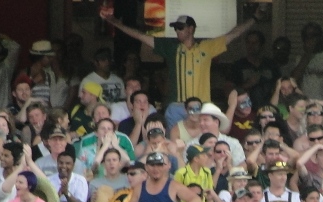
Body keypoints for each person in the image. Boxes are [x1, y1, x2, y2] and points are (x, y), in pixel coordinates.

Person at [101, 8, 262, 131]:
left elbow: (233, 34)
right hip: (176, 107)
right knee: (174, 143)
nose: (177, 31)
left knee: (203, 145)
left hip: (202, 107)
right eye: (176, 28)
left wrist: (255, 18)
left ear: (191, 29)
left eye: (180, 27)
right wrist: (114, 22)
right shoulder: (171, 48)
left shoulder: (207, 47)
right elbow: (140, 36)